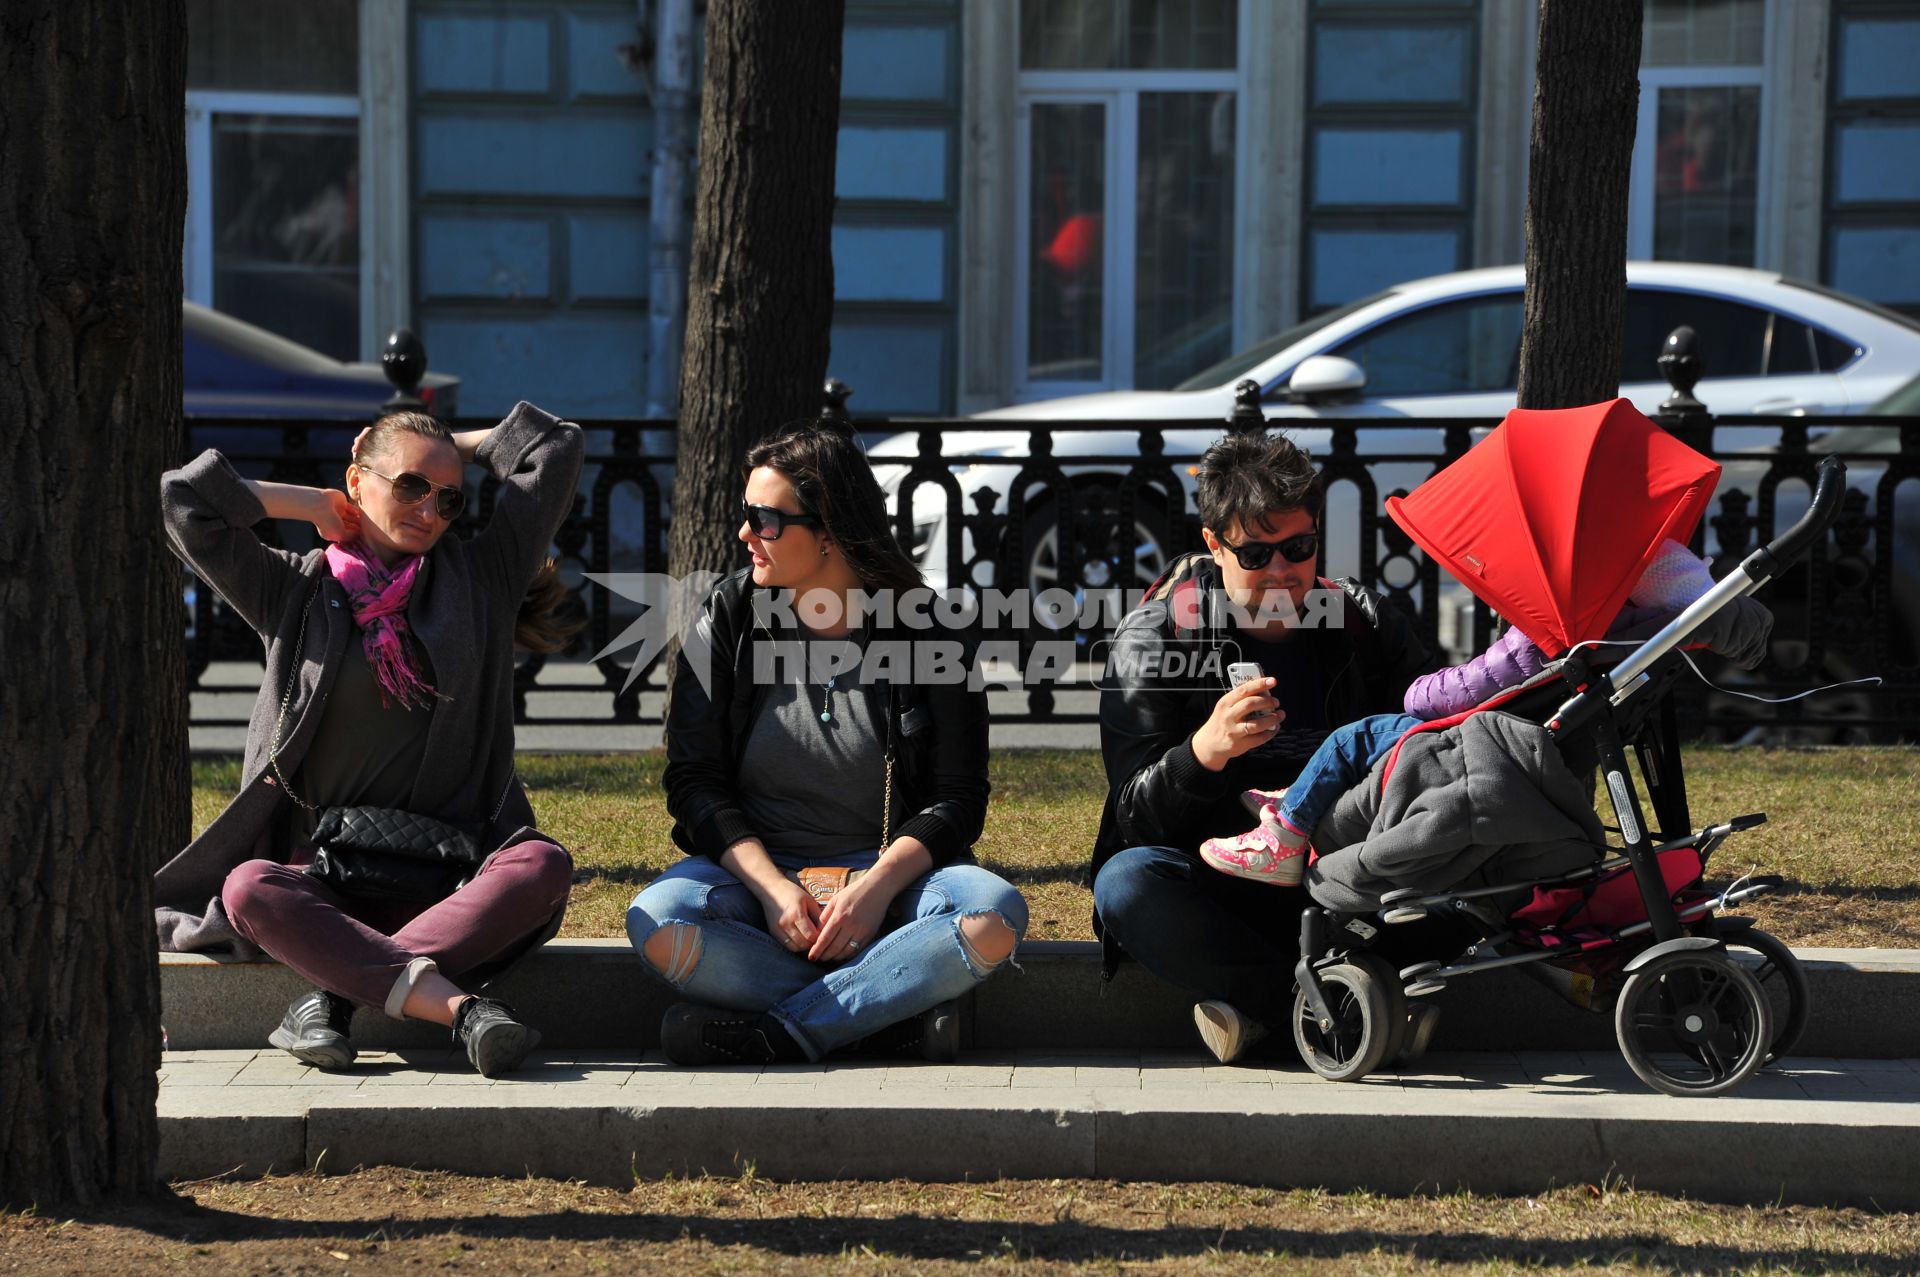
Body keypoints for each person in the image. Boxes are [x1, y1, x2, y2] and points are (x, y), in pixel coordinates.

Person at [154, 404, 584, 1078]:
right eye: (410, 485)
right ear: (360, 480)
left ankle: (333, 999)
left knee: (541, 864)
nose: (430, 510)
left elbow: (555, 447)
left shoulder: (482, 581)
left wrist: (449, 447)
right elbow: (184, 501)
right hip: (326, 876)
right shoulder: (294, 589)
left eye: (449, 499)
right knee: (247, 888)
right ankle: (463, 1010)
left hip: (445, 877)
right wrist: (309, 503)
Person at [626, 419, 1026, 1066]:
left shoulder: (932, 631)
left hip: (887, 889)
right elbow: (693, 782)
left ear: (830, 532)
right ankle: (879, 1015)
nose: (744, 534)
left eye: (765, 519)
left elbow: (958, 798)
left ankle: (780, 1031)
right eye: (745, 515)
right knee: (661, 921)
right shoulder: (724, 618)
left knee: (993, 914)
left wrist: (871, 892)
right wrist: (773, 890)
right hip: (760, 889)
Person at [1089, 428, 1435, 1064]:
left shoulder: (1363, 625)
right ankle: (1324, 1011)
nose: (1281, 571)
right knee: (1128, 886)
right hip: (1226, 880)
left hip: (1342, 870)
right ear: (1214, 546)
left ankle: (1269, 1019)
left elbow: (1426, 752)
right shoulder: (1158, 639)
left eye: (1298, 548)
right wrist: (1204, 752)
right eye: (1256, 554)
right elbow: (1136, 816)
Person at [1200, 538, 1723, 883]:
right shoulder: (1628, 638)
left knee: (1348, 740)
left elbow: (1452, 692)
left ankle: (1284, 833)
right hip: (1509, 739)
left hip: (1460, 740)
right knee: (1351, 744)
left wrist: (1417, 691)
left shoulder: (1546, 637)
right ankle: (1297, 798)